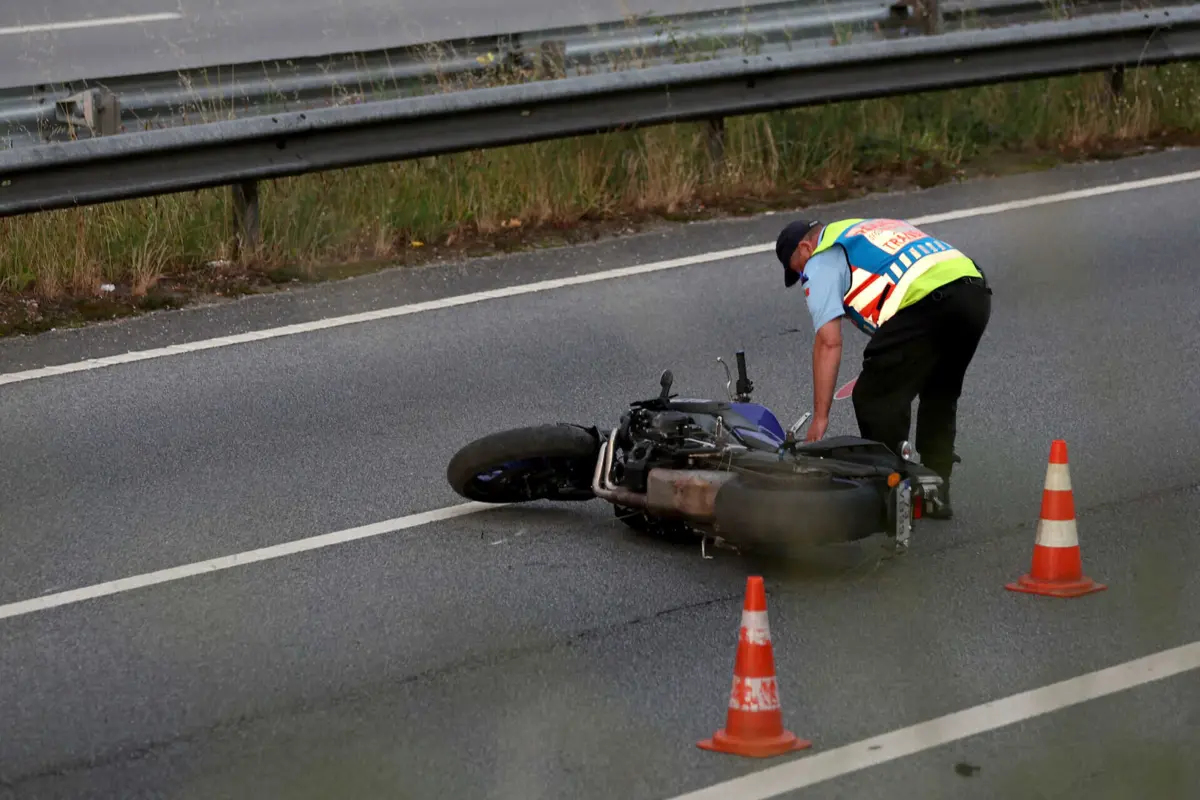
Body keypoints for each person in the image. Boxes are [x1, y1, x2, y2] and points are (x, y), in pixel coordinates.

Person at [774, 217, 992, 519]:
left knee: (874, 398)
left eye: (796, 268)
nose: (801, 277)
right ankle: (935, 493)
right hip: (974, 292)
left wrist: (820, 417)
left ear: (805, 247)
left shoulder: (821, 257)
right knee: (939, 394)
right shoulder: (859, 229)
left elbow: (828, 343)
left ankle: (894, 496)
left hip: (928, 301)